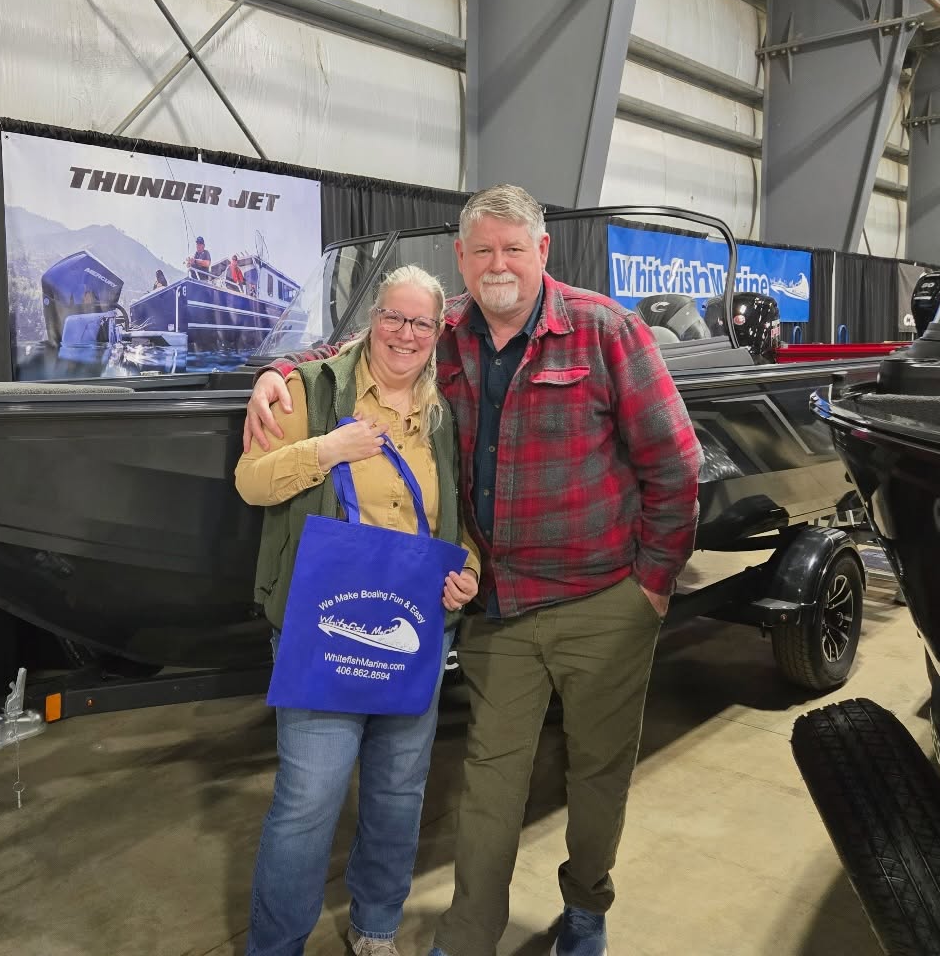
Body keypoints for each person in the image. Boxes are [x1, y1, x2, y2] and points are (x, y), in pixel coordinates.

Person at [243, 185, 702, 956]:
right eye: (482, 249)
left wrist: (652, 586)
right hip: (498, 606)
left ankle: (586, 909)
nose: (498, 264)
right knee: (489, 783)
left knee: (597, 775)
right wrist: (281, 369)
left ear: (542, 253)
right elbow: (359, 352)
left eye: (513, 249)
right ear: (460, 257)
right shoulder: (443, 327)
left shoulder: (605, 330)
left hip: (604, 602)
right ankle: (467, 938)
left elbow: (676, 464)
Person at [236, 264, 483, 956]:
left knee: (398, 794)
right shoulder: (310, 389)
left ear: (439, 332)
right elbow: (250, 482)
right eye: (394, 318)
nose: (405, 334)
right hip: (322, 628)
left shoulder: (444, 412)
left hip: (415, 635)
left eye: (421, 323)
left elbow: (461, 522)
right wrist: (326, 450)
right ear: (372, 319)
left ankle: (376, 929)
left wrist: (467, 572)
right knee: (307, 800)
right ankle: (276, 945)